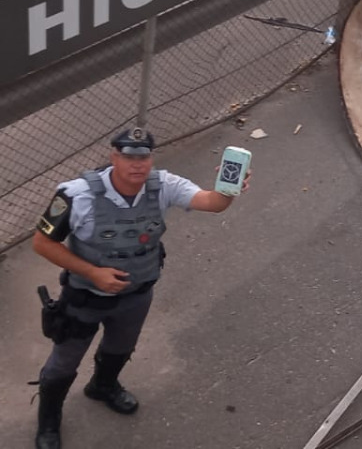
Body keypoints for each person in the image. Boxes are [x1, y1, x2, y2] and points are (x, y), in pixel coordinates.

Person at [31, 127, 250, 449]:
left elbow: (212, 203)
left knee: (121, 346)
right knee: (64, 362)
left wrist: (228, 190)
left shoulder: (163, 186)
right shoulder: (76, 195)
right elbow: (42, 243)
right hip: (85, 298)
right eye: (129, 157)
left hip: (136, 294)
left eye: (144, 156)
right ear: (113, 157)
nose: (138, 164)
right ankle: (48, 421)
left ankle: (103, 387)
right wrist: (92, 272)